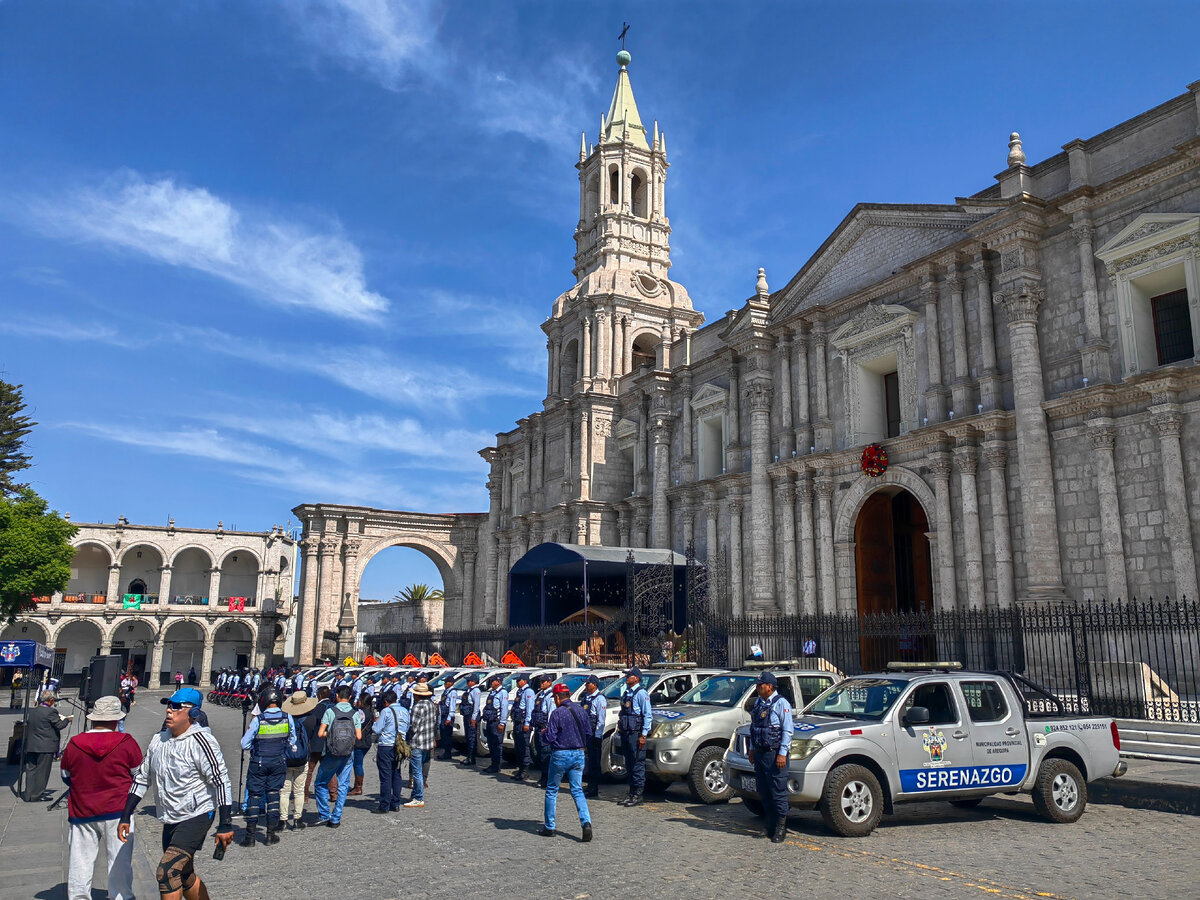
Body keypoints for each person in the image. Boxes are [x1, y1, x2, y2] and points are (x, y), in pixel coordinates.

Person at [119, 687, 234, 900]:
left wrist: (225, 824)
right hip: (171, 816)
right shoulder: (158, 741)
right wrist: (126, 815)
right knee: (184, 874)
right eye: (168, 706)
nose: (169, 711)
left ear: (193, 713)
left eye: (176, 707)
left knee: (167, 872)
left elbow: (221, 781)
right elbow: (142, 778)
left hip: (197, 814)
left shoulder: (202, 742)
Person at [60, 695, 143, 900]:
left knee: (80, 860)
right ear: (116, 720)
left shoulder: (75, 743)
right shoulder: (126, 742)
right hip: (118, 810)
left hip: (82, 810)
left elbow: (66, 776)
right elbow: (138, 774)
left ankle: (79, 896)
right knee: (119, 860)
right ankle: (121, 896)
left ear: (93, 718)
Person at [537, 684, 593, 841]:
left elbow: (550, 738)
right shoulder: (582, 710)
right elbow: (589, 733)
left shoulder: (557, 713)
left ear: (556, 697)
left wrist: (544, 733)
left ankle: (550, 826)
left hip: (561, 754)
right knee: (577, 790)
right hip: (579, 753)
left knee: (552, 790)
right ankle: (586, 822)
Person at [238, 686, 292, 846]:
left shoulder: (258, 720)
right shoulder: (287, 718)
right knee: (274, 796)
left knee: (255, 797)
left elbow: (244, 744)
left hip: (259, 761)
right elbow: (292, 740)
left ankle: (250, 836)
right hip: (278, 761)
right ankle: (270, 835)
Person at [748, 671, 795, 843]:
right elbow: (754, 728)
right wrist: (752, 749)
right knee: (764, 790)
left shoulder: (781, 703)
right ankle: (769, 824)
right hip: (760, 753)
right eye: (757, 685)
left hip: (774, 754)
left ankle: (781, 827)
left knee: (778, 791)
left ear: (769, 686)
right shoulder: (758, 703)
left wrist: (782, 753)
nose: (758, 688)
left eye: (760, 685)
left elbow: (787, 731)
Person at [314, 685, 363, 827]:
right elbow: (358, 736)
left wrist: (332, 734)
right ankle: (336, 817)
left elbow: (320, 733)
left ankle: (324, 813)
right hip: (348, 753)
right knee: (343, 785)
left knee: (320, 783)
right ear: (350, 697)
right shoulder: (355, 713)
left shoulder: (330, 711)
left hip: (332, 752)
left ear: (336, 696)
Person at [21, 690, 72, 801]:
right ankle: (36, 795)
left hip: (31, 745)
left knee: (31, 770)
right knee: (42, 772)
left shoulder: (33, 711)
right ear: (51, 700)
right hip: (45, 746)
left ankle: (28, 794)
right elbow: (59, 725)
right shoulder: (50, 712)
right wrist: (67, 720)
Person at [280, 690, 316, 831]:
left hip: (287, 757)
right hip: (302, 757)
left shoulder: (285, 719)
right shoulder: (311, 719)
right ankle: (297, 819)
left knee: (284, 791)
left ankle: (282, 820)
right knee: (299, 791)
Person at [617, 666, 652, 807]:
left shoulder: (641, 693)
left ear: (636, 678)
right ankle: (631, 792)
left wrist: (643, 735)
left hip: (635, 734)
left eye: (629, 675)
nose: (626, 677)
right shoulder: (627, 693)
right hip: (626, 732)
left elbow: (647, 715)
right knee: (629, 764)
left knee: (637, 763)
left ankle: (638, 794)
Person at [371, 690, 407, 813]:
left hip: (386, 745)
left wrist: (375, 721)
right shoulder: (405, 711)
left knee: (385, 776)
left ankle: (384, 804)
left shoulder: (386, 711)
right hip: (399, 746)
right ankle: (395, 803)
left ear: (386, 702)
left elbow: (377, 729)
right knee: (396, 774)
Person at [406, 682, 437, 807]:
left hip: (418, 742)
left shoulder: (418, 707)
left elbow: (414, 726)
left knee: (416, 771)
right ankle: (415, 794)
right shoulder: (431, 704)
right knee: (421, 768)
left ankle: (418, 797)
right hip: (428, 741)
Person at [302, 686, 333, 813]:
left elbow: (310, 725)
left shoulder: (316, 708)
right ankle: (334, 793)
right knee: (330, 769)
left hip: (316, 742)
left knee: (309, 770)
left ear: (319, 696)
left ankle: (305, 795)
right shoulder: (333, 707)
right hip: (330, 741)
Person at [580, 674, 607, 798]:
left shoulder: (599, 699)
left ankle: (594, 787)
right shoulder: (586, 697)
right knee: (588, 761)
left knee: (594, 762)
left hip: (593, 734)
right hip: (585, 733)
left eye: (588, 683)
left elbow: (601, 720)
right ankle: (589, 784)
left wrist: (598, 736)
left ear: (594, 685)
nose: (586, 685)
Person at [480, 674, 509, 774]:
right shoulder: (492, 692)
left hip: (497, 722)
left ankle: (496, 765)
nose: (491, 683)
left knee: (497, 744)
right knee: (491, 744)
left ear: (499, 682)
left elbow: (504, 708)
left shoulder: (503, 693)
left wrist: (502, 723)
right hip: (489, 721)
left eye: (493, 681)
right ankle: (493, 763)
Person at [348, 692, 376, 796]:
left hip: (360, 741)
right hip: (367, 740)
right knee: (358, 763)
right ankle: (357, 785)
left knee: (357, 764)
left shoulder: (360, 713)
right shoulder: (371, 712)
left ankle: (358, 787)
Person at [531, 674, 556, 788]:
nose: (541, 683)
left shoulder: (550, 696)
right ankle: (543, 777)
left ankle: (546, 779)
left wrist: (549, 729)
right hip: (538, 728)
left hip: (545, 729)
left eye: (543, 682)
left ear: (549, 682)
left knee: (546, 755)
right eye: (540, 682)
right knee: (540, 753)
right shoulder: (540, 694)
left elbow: (551, 714)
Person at [510, 673, 535, 782]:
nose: (517, 682)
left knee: (524, 747)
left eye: (519, 680)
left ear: (524, 681)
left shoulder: (528, 692)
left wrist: (527, 723)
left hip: (523, 722)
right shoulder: (519, 692)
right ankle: (520, 769)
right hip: (517, 722)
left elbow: (529, 709)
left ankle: (525, 771)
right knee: (518, 747)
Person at [459, 674, 481, 767]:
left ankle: (471, 758)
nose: (467, 682)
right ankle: (469, 756)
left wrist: (473, 718)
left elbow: (476, 706)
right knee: (468, 736)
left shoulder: (476, 691)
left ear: (473, 681)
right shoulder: (469, 690)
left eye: (469, 681)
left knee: (471, 736)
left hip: (471, 715)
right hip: (466, 715)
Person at [437, 675, 459, 761]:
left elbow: (452, 706)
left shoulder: (452, 692)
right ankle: (445, 752)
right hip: (443, 714)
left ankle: (448, 753)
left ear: (451, 683)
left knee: (447, 735)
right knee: (443, 734)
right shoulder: (446, 691)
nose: (445, 684)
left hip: (447, 716)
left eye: (446, 682)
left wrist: (449, 718)